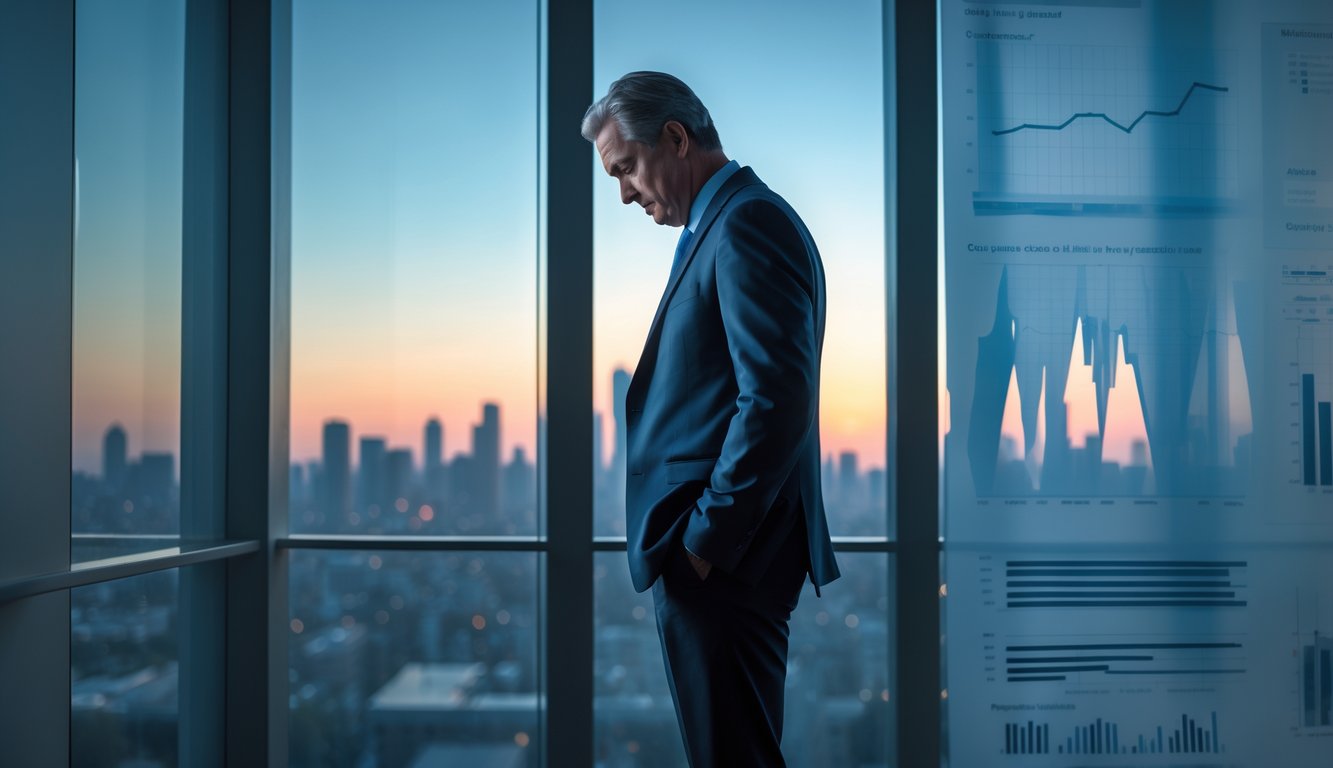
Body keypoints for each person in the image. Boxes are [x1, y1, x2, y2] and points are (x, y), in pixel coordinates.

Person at [582, 71, 840, 767]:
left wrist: (706, 538)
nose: (625, 193)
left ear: (674, 137)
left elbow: (777, 396)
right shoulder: (727, 222)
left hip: (727, 559)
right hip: (722, 556)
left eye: (627, 168)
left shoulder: (745, 222)